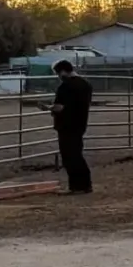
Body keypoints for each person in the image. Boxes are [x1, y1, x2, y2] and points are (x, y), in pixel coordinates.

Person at [49, 59, 94, 193]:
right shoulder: (86, 84)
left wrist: (49, 108)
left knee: (69, 156)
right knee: (77, 154)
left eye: (58, 73)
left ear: (62, 71)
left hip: (66, 125)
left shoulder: (65, 87)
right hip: (80, 123)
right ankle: (86, 184)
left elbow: (59, 107)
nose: (58, 76)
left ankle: (76, 186)